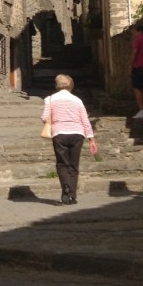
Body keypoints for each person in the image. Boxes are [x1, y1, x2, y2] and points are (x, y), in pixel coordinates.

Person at [41, 74, 97, 205]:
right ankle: (72, 195)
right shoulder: (77, 100)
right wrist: (91, 139)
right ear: (70, 85)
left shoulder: (50, 99)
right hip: (77, 133)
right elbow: (85, 120)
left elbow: (44, 117)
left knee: (62, 163)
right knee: (74, 165)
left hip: (59, 133)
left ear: (57, 85)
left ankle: (65, 186)